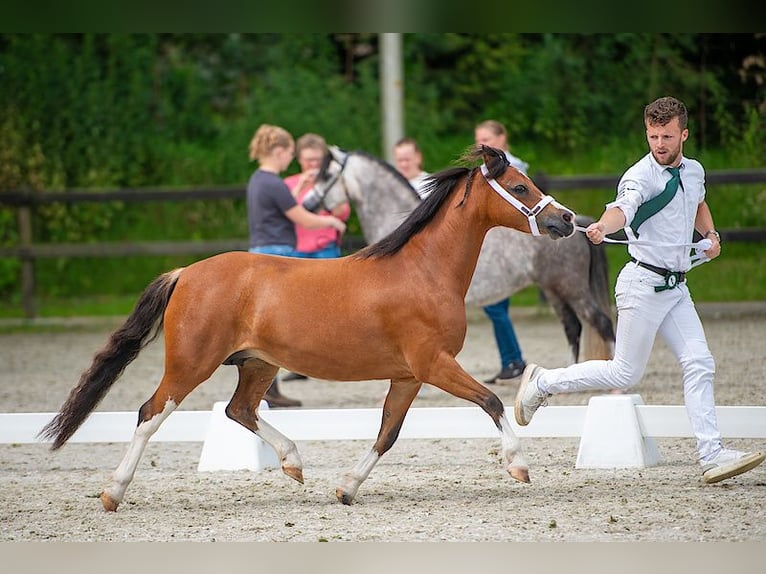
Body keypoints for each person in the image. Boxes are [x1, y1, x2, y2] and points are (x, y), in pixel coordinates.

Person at [514, 96, 765, 484]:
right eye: (653, 136)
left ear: (683, 133)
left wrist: (710, 235)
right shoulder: (639, 176)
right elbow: (623, 208)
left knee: (700, 362)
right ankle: (544, 382)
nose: (659, 144)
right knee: (623, 373)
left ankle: (711, 454)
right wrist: (602, 225)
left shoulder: (695, 170)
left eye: (667, 136)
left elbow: (697, 202)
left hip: (677, 288)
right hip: (643, 284)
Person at [246, 124, 347, 407]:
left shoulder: (258, 180)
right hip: (277, 252)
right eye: (290, 154)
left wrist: (301, 185)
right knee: (279, 324)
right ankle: (274, 385)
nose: (290, 159)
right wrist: (331, 221)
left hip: (261, 248)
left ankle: (270, 389)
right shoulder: (274, 183)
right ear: (279, 151)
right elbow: (302, 218)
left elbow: (286, 204)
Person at [280, 133, 351, 382]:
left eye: (317, 160)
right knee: (297, 310)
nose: (312, 165)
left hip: (325, 248)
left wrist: (325, 203)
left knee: (332, 306)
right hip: (297, 251)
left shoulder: (330, 183)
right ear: (299, 159)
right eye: (308, 160)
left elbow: (343, 213)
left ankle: (334, 356)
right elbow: (286, 213)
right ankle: (299, 361)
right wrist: (302, 188)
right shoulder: (289, 184)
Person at [474, 120, 529, 384]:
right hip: (489, 244)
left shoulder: (513, 167)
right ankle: (511, 361)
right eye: (478, 140)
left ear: (502, 138)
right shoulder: (483, 170)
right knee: (495, 307)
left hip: (507, 243)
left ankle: (514, 360)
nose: (482, 145)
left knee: (495, 306)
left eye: (486, 138)